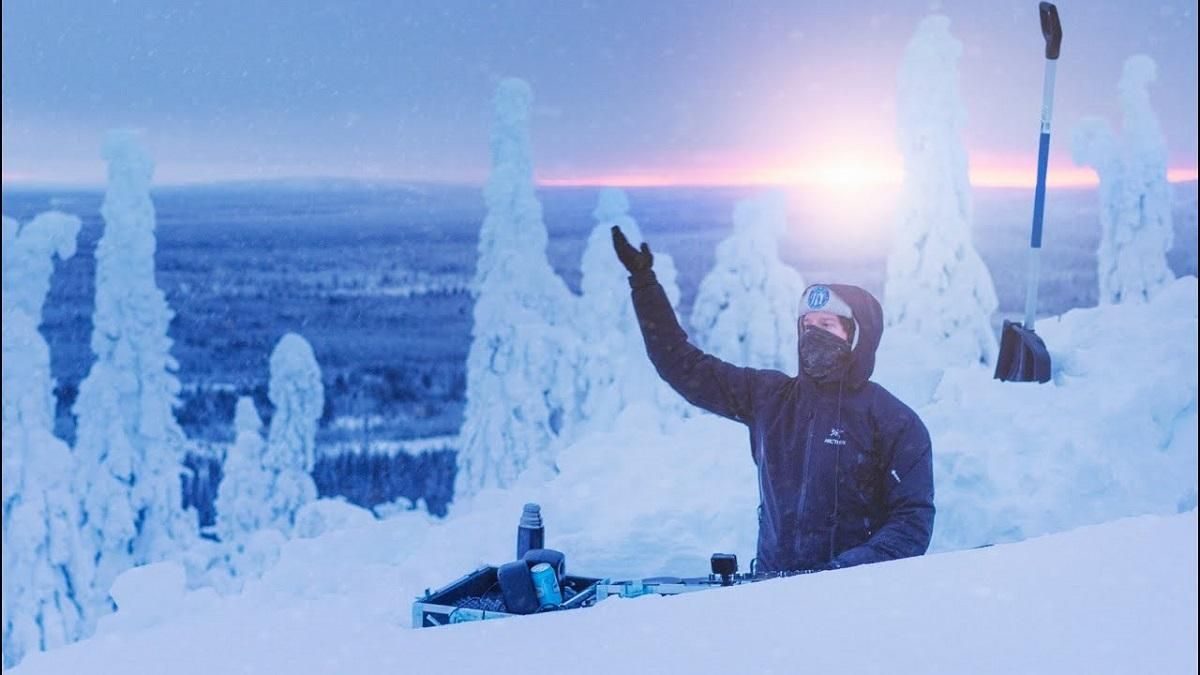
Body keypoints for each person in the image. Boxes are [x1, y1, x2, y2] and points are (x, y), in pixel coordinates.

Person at [611, 226, 934, 574]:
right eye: (807, 324)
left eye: (827, 324)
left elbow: (911, 523)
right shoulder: (770, 398)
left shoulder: (893, 421)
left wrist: (842, 572)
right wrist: (644, 284)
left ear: (857, 336)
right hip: (771, 590)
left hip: (853, 597)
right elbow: (683, 367)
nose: (813, 334)